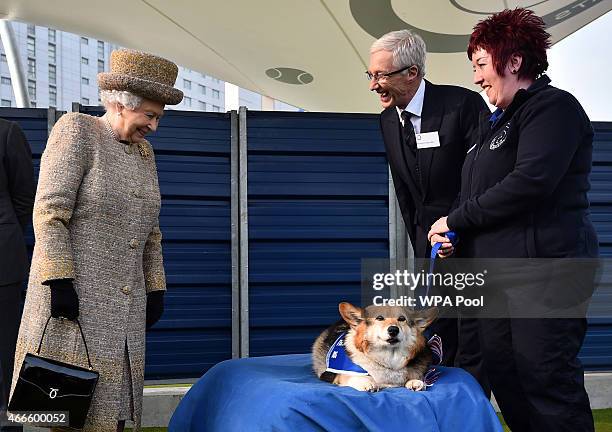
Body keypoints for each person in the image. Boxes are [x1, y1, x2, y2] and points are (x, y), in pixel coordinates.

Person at [428, 8, 599, 432]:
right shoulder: (492, 125)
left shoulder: (553, 108)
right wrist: (456, 236)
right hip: (496, 277)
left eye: (481, 65)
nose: (476, 78)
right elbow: (476, 197)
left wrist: (457, 218)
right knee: (507, 381)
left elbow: (531, 181)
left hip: (546, 272)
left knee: (545, 379)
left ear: (514, 61)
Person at [10, 49, 183, 432]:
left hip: (126, 305)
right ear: (122, 104)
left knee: (117, 414)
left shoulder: (144, 153)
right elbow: (50, 212)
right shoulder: (78, 130)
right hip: (74, 302)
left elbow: (151, 230)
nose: (154, 126)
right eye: (149, 116)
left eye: (158, 117)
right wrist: (58, 281)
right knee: (66, 414)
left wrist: (155, 288)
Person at [367, 29, 490, 391]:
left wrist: (454, 229)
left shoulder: (463, 106)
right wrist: (423, 244)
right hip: (430, 246)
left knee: (473, 338)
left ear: (412, 73)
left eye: (381, 75)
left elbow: (479, 179)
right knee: (437, 334)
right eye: (371, 74)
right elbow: (406, 194)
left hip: (470, 242)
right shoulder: (387, 121)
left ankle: (471, 410)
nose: (374, 85)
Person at [0, 119, 35, 432]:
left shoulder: (8, 132)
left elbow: (25, 198)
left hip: (3, 266)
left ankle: (10, 425)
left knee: (6, 354)